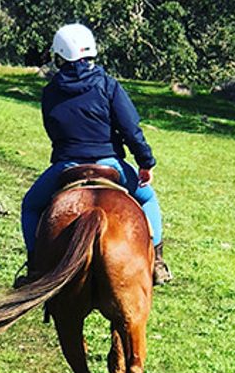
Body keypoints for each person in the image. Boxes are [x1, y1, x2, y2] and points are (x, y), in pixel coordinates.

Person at [17, 23, 173, 287]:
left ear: (60, 54)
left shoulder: (51, 91)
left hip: (67, 165)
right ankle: (156, 262)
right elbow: (130, 129)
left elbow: (52, 129)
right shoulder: (108, 85)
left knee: (30, 206)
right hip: (109, 162)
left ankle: (35, 268)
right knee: (147, 199)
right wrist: (145, 162)